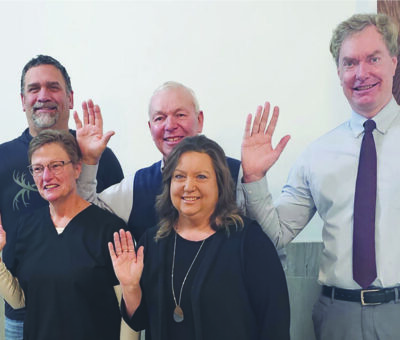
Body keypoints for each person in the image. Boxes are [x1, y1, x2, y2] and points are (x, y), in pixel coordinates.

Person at [240, 13, 400, 340]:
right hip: (337, 315)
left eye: (373, 59)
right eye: (350, 62)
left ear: (393, 64)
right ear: (339, 72)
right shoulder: (317, 154)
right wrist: (254, 178)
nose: (361, 73)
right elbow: (279, 232)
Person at [109, 135, 290, 340]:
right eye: (179, 176)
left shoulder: (249, 242)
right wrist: (130, 286)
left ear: (220, 184)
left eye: (201, 177)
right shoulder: (152, 242)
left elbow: (275, 324)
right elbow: (139, 321)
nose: (188, 186)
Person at [0, 55, 124, 340]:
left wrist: (91, 160)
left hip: (88, 314)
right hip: (23, 316)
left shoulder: (97, 154)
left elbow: (111, 221)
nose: (43, 96)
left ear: (69, 98)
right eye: (34, 89)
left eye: (53, 87)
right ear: (22, 100)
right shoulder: (2, 159)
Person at [76, 82, 241, 243]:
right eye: (160, 118)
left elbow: (263, 235)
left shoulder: (237, 173)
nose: (170, 125)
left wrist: (255, 177)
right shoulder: (136, 186)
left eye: (180, 115)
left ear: (200, 120)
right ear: (150, 127)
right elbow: (88, 214)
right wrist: (89, 161)